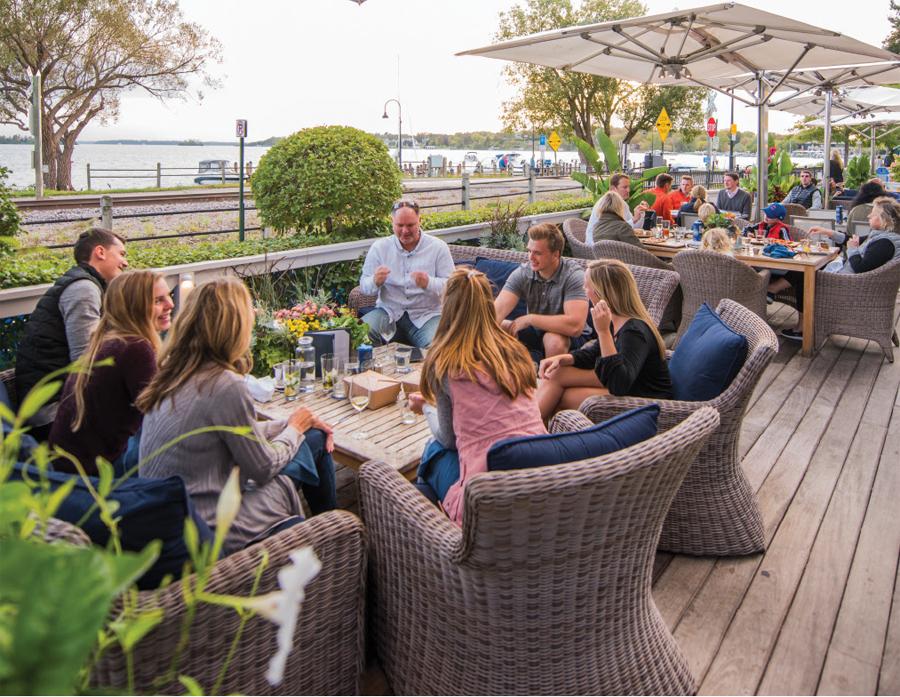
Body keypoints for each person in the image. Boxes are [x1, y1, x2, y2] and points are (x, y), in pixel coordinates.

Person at [137, 278, 337, 555]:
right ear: (236, 325)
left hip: (168, 515)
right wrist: (294, 430)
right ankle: (334, 533)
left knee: (312, 433)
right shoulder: (223, 384)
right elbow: (263, 467)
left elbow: (232, 433)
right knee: (313, 439)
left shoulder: (175, 370)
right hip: (210, 522)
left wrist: (291, 424)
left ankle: (330, 529)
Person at [410, 268, 547, 525]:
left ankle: (432, 528)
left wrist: (426, 408)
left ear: (447, 307)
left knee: (433, 450)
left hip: (487, 490)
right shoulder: (516, 353)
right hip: (538, 469)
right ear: (488, 305)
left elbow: (450, 440)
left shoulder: (446, 363)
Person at [49, 270, 173, 477]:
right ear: (134, 308)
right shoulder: (135, 347)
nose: (170, 304)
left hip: (65, 468)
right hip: (94, 477)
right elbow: (163, 412)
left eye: (168, 296)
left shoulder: (109, 339)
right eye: (158, 300)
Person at [15, 227, 128, 440]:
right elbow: (84, 362)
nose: (125, 262)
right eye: (121, 254)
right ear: (101, 252)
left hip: (51, 403)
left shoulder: (82, 283)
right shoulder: (84, 288)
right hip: (53, 415)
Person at [536, 259, 672, 421]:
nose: (583, 288)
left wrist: (603, 331)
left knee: (562, 398)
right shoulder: (613, 318)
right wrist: (561, 358)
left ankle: (526, 434)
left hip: (646, 399)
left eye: (586, 286)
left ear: (601, 292)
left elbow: (619, 383)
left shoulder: (634, 332)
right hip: (622, 382)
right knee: (556, 372)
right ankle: (526, 431)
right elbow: (595, 353)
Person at [772, 197, 900, 341]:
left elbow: (860, 267)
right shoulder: (884, 237)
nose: (868, 216)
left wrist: (852, 250)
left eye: (873, 214)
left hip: (850, 286)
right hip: (852, 278)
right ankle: (772, 291)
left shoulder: (885, 243)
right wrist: (828, 232)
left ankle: (802, 327)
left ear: (885, 220)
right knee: (807, 266)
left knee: (806, 273)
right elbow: (853, 239)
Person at [359, 199, 454, 349]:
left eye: (410, 225)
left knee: (438, 348)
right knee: (361, 335)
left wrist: (429, 283)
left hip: (426, 315)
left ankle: (422, 373)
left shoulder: (438, 247)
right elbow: (364, 286)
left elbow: (452, 287)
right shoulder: (380, 247)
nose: (405, 231)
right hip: (389, 312)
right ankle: (378, 371)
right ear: (392, 222)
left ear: (420, 220)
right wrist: (374, 281)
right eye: (400, 225)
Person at [494, 223, 591, 362]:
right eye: (529, 251)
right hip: (534, 333)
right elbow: (496, 311)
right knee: (500, 327)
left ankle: (550, 380)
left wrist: (530, 319)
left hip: (570, 338)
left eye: (538, 253)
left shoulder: (573, 275)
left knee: (552, 339)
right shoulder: (523, 273)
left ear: (555, 254)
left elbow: (575, 326)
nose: (531, 258)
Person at [585, 173, 648, 238]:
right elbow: (615, 230)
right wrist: (634, 219)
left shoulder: (623, 203)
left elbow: (635, 228)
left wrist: (640, 214)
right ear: (613, 188)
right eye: (624, 187)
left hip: (612, 243)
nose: (628, 190)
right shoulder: (607, 203)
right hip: (598, 245)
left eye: (628, 187)